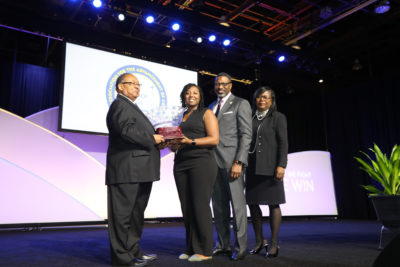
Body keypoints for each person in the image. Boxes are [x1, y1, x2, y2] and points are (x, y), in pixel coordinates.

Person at [106, 73, 165, 267]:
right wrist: (152, 138)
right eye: (132, 84)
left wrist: (159, 140)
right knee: (122, 217)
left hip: (140, 170)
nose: (137, 87)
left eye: (139, 84)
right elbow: (126, 132)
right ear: (120, 87)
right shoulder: (119, 105)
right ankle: (122, 258)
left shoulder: (131, 106)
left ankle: (134, 252)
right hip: (126, 170)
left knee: (135, 215)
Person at [172, 83, 219, 262]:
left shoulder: (206, 113)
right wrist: (172, 144)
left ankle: (205, 250)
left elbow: (214, 139)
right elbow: (178, 142)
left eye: (195, 93)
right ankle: (191, 247)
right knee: (187, 208)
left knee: (200, 207)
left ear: (200, 97)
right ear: (183, 96)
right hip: (181, 163)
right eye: (188, 93)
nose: (191, 95)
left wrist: (190, 141)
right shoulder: (182, 116)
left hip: (201, 162)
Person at [209, 72, 252, 261]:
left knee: (238, 207)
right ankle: (223, 244)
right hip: (213, 163)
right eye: (218, 84)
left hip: (232, 163)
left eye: (224, 84)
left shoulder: (241, 103)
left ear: (230, 85)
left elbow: (246, 135)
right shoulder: (210, 107)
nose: (220, 87)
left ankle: (241, 247)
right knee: (218, 208)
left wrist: (239, 162)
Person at [246, 86, 288, 258]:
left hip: (271, 168)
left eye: (265, 97)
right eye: (258, 97)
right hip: (252, 167)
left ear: (271, 100)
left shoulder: (278, 117)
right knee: (253, 204)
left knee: (274, 204)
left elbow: (283, 143)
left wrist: (281, 165)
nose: (261, 100)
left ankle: (274, 243)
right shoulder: (249, 117)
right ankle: (259, 241)